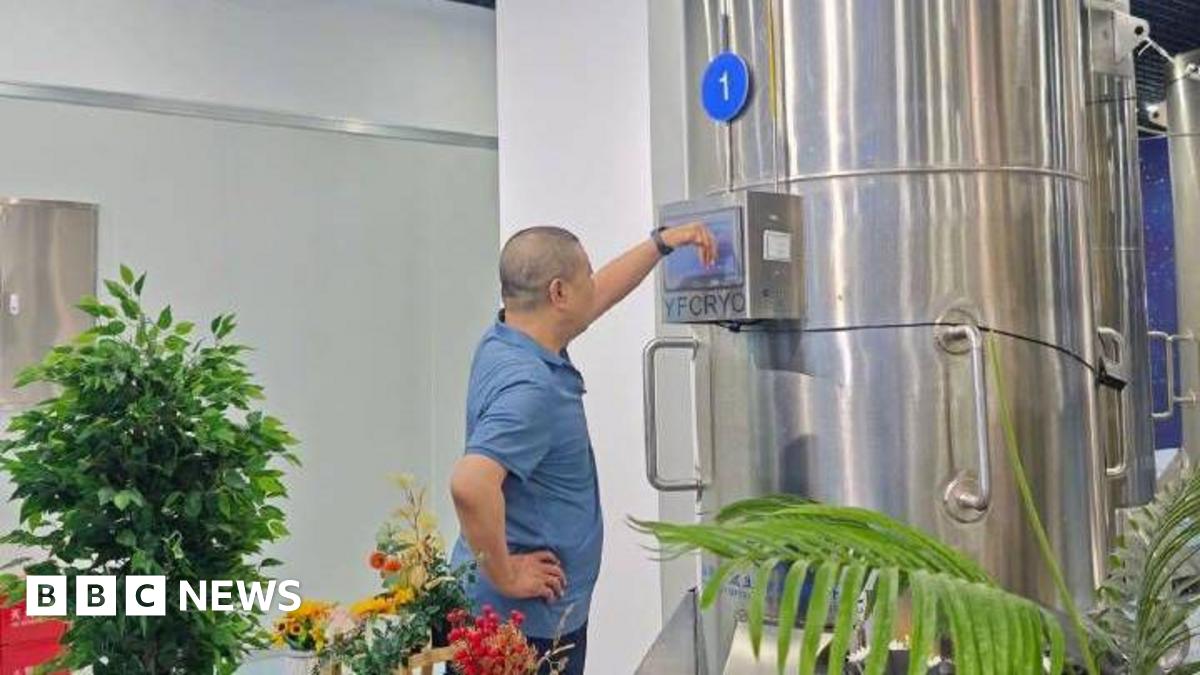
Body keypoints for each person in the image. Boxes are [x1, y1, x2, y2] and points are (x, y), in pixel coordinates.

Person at [449, 222, 716, 674]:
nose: (593, 285)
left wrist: (661, 244)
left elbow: (596, 298)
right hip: (522, 629)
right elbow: (470, 484)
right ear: (558, 293)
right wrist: (507, 574)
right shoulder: (531, 387)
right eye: (584, 276)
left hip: (503, 617)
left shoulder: (506, 339)